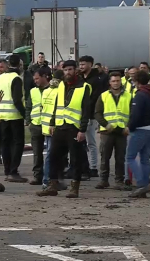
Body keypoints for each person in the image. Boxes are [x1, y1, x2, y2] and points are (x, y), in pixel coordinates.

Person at [37, 60, 91, 198]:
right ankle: (52, 185)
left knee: (75, 158)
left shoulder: (84, 87)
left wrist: (82, 130)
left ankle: (75, 186)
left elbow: (86, 110)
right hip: (60, 126)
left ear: (76, 70)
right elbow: (57, 105)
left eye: (70, 70)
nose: (68, 72)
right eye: (66, 70)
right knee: (54, 156)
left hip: (74, 127)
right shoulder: (61, 85)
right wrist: (52, 123)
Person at [126, 70, 150, 198]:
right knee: (145, 158)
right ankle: (144, 183)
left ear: (137, 82)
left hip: (140, 129)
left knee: (130, 157)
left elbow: (135, 115)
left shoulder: (140, 95)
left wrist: (130, 127)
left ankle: (141, 184)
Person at [94, 72, 131, 190]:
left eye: (118, 81)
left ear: (121, 81)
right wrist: (105, 124)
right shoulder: (103, 96)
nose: (116, 83)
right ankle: (103, 180)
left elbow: (133, 113)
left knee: (120, 157)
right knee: (105, 156)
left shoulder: (128, 96)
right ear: (109, 82)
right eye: (113, 81)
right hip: (107, 131)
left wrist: (129, 126)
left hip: (122, 131)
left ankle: (119, 181)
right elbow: (98, 113)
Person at [0, 54, 27, 183]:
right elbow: (17, 99)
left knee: (5, 144)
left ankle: (7, 170)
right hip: (15, 116)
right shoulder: (16, 78)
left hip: (3, 115)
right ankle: (13, 171)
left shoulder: (0, 78)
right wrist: (25, 115)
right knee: (18, 144)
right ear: (20, 64)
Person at [79, 55, 108, 178]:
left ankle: (93, 167)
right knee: (81, 143)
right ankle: (82, 166)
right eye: (80, 64)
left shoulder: (96, 80)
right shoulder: (80, 79)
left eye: (83, 64)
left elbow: (95, 99)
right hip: (79, 115)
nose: (81, 67)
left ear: (90, 64)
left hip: (90, 115)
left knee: (91, 142)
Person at [26, 67, 52, 185]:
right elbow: (28, 106)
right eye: (34, 79)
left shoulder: (53, 90)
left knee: (51, 153)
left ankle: (51, 176)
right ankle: (37, 176)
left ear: (44, 77)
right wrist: (29, 121)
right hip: (36, 124)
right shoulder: (33, 91)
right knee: (37, 153)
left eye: (37, 78)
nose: (35, 81)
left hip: (49, 125)